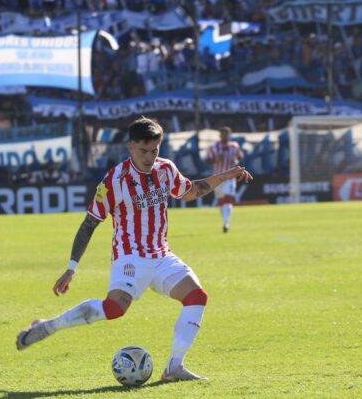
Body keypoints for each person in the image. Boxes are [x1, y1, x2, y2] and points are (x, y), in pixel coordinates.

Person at [15, 117, 253, 383]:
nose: (149, 157)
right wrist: (71, 268)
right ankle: (47, 327)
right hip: (130, 257)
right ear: (130, 146)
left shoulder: (166, 170)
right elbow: (90, 223)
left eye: (154, 150)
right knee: (114, 309)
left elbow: (191, 191)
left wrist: (226, 175)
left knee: (197, 297)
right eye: (143, 151)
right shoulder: (114, 180)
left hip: (162, 255)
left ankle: (174, 367)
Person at [204, 126, 244, 233]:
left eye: (227, 134)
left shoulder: (234, 146)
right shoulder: (214, 147)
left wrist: (236, 161)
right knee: (221, 201)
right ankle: (225, 220)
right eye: (223, 134)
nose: (225, 136)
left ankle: (226, 223)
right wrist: (215, 159)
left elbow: (240, 156)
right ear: (220, 135)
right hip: (218, 177)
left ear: (229, 135)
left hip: (230, 177)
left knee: (228, 198)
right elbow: (207, 159)